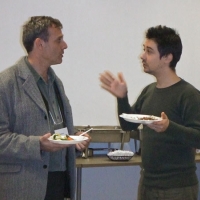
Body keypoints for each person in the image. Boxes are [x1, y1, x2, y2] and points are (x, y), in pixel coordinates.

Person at [99, 25, 200, 200]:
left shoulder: (188, 94)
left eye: (149, 51)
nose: (142, 56)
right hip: (147, 184)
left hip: (177, 188)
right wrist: (122, 98)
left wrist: (168, 127)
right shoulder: (149, 91)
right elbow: (128, 125)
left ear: (167, 57)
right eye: (144, 50)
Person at [0, 16, 91, 200]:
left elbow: (55, 129)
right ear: (39, 44)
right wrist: (37, 145)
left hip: (58, 182)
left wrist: (73, 141)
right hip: (25, 187)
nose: (64, 45)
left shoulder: (56, 83)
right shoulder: (6, 83)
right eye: (59, 40)